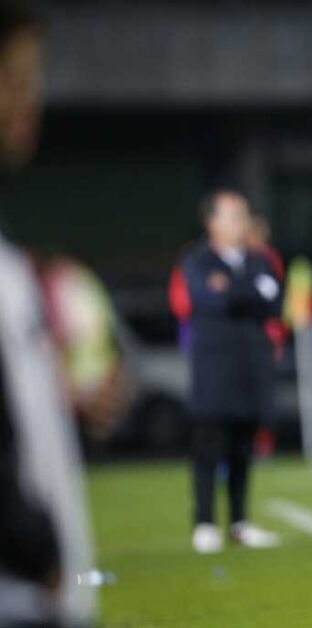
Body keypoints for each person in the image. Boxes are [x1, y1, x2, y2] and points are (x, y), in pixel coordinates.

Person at [0, 1, 97, 624]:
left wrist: (66, 408)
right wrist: (35, 547)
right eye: (13, 81)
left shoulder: (13, 264)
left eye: (32, 82)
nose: (28, 101)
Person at [178, 190, 283, 554]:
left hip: (251, 364)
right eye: (234, 215)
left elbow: (274, 300)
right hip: (214, 366)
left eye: (243, 215)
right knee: (208, 445)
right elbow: (209, 299)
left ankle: (239, 522)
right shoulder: (197, 260)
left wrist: (232, 290)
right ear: (212, 222)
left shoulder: (259, 259)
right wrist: (249, 292)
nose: (242, 222)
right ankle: (205, 522)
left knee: (243, 445)